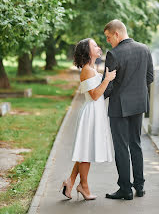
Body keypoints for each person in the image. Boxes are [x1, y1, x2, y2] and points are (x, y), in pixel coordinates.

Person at [103, 19, 154, 200]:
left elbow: (107, 86)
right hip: (139, 105)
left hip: (119, 107)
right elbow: (150, 77)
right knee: (136, 144)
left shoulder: (113, 54)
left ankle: (125, 189)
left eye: (109, 37)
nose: (108, 41)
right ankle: (139, 187)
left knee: (121, 147)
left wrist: (95, 97)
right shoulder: (145, 49)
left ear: (117, 34)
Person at [60, 38, 116, 201]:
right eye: (94, 46)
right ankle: (83, 186)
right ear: (87, 51)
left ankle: (70, 182)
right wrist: (107, 78)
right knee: (86, 153)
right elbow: (95, 95)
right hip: (91, 113)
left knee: (86, 151)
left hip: (95, 112)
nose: (99, 47)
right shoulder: (87, 70)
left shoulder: (91, 68)